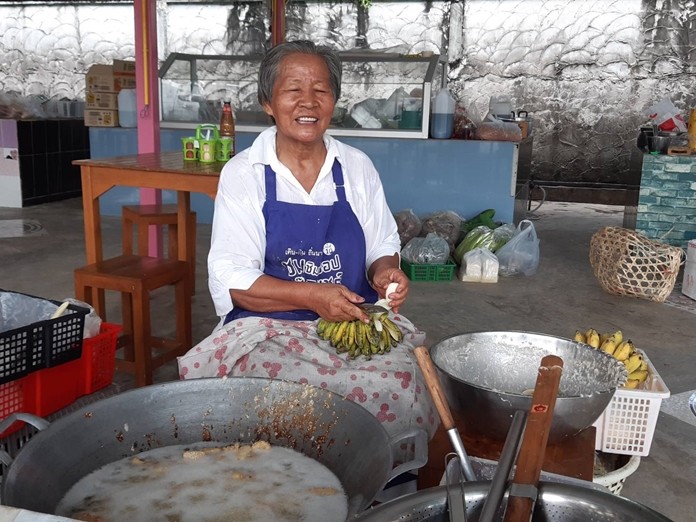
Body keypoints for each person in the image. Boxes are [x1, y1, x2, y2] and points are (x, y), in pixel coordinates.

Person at [178, 40, 437, 446]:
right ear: (268, 101)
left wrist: (385, 269)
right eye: (293, 89)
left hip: (354, 322)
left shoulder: (356, 167)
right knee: (267, 399)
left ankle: (383, 493)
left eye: (321, 90)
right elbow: (233, 279)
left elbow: (381, 242)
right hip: (267, 328)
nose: (309, 102)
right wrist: (313, 296)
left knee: (403, 386)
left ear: (334, 100)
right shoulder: (245, 173)